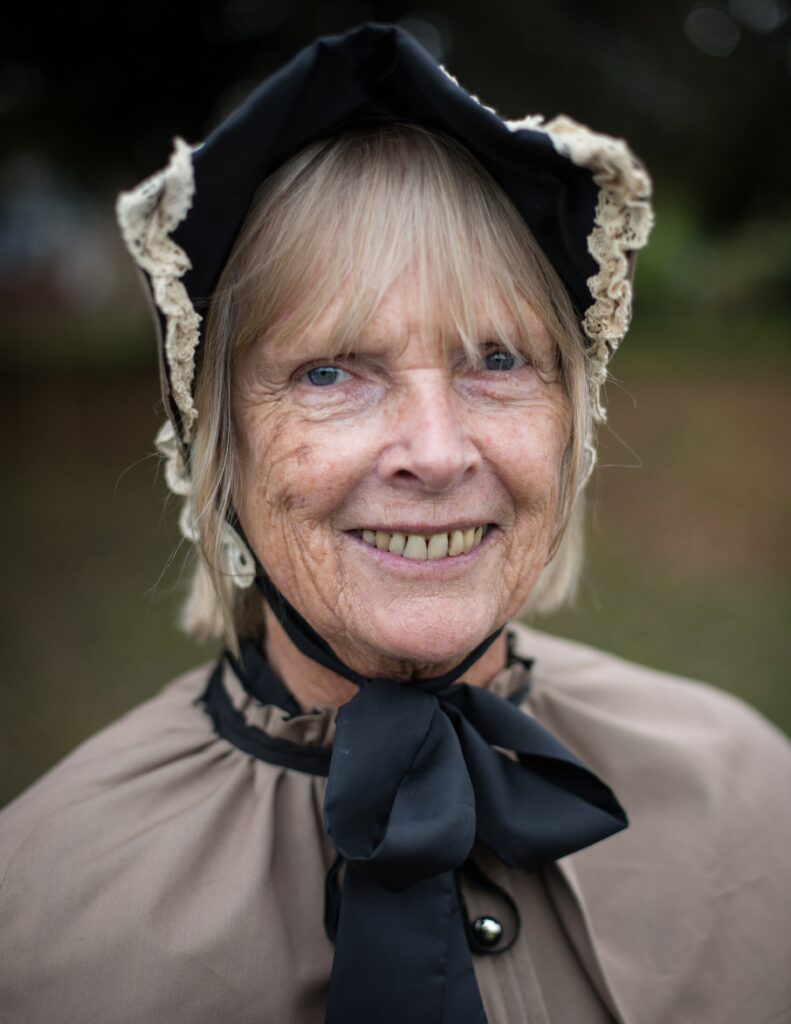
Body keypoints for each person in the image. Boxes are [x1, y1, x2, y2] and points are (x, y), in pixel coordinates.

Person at [0, 23, 789, 1024]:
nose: (437, 449)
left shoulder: (752, 801)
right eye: (330, 370)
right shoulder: (39, 928)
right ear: (220, 447)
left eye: (496, 360)